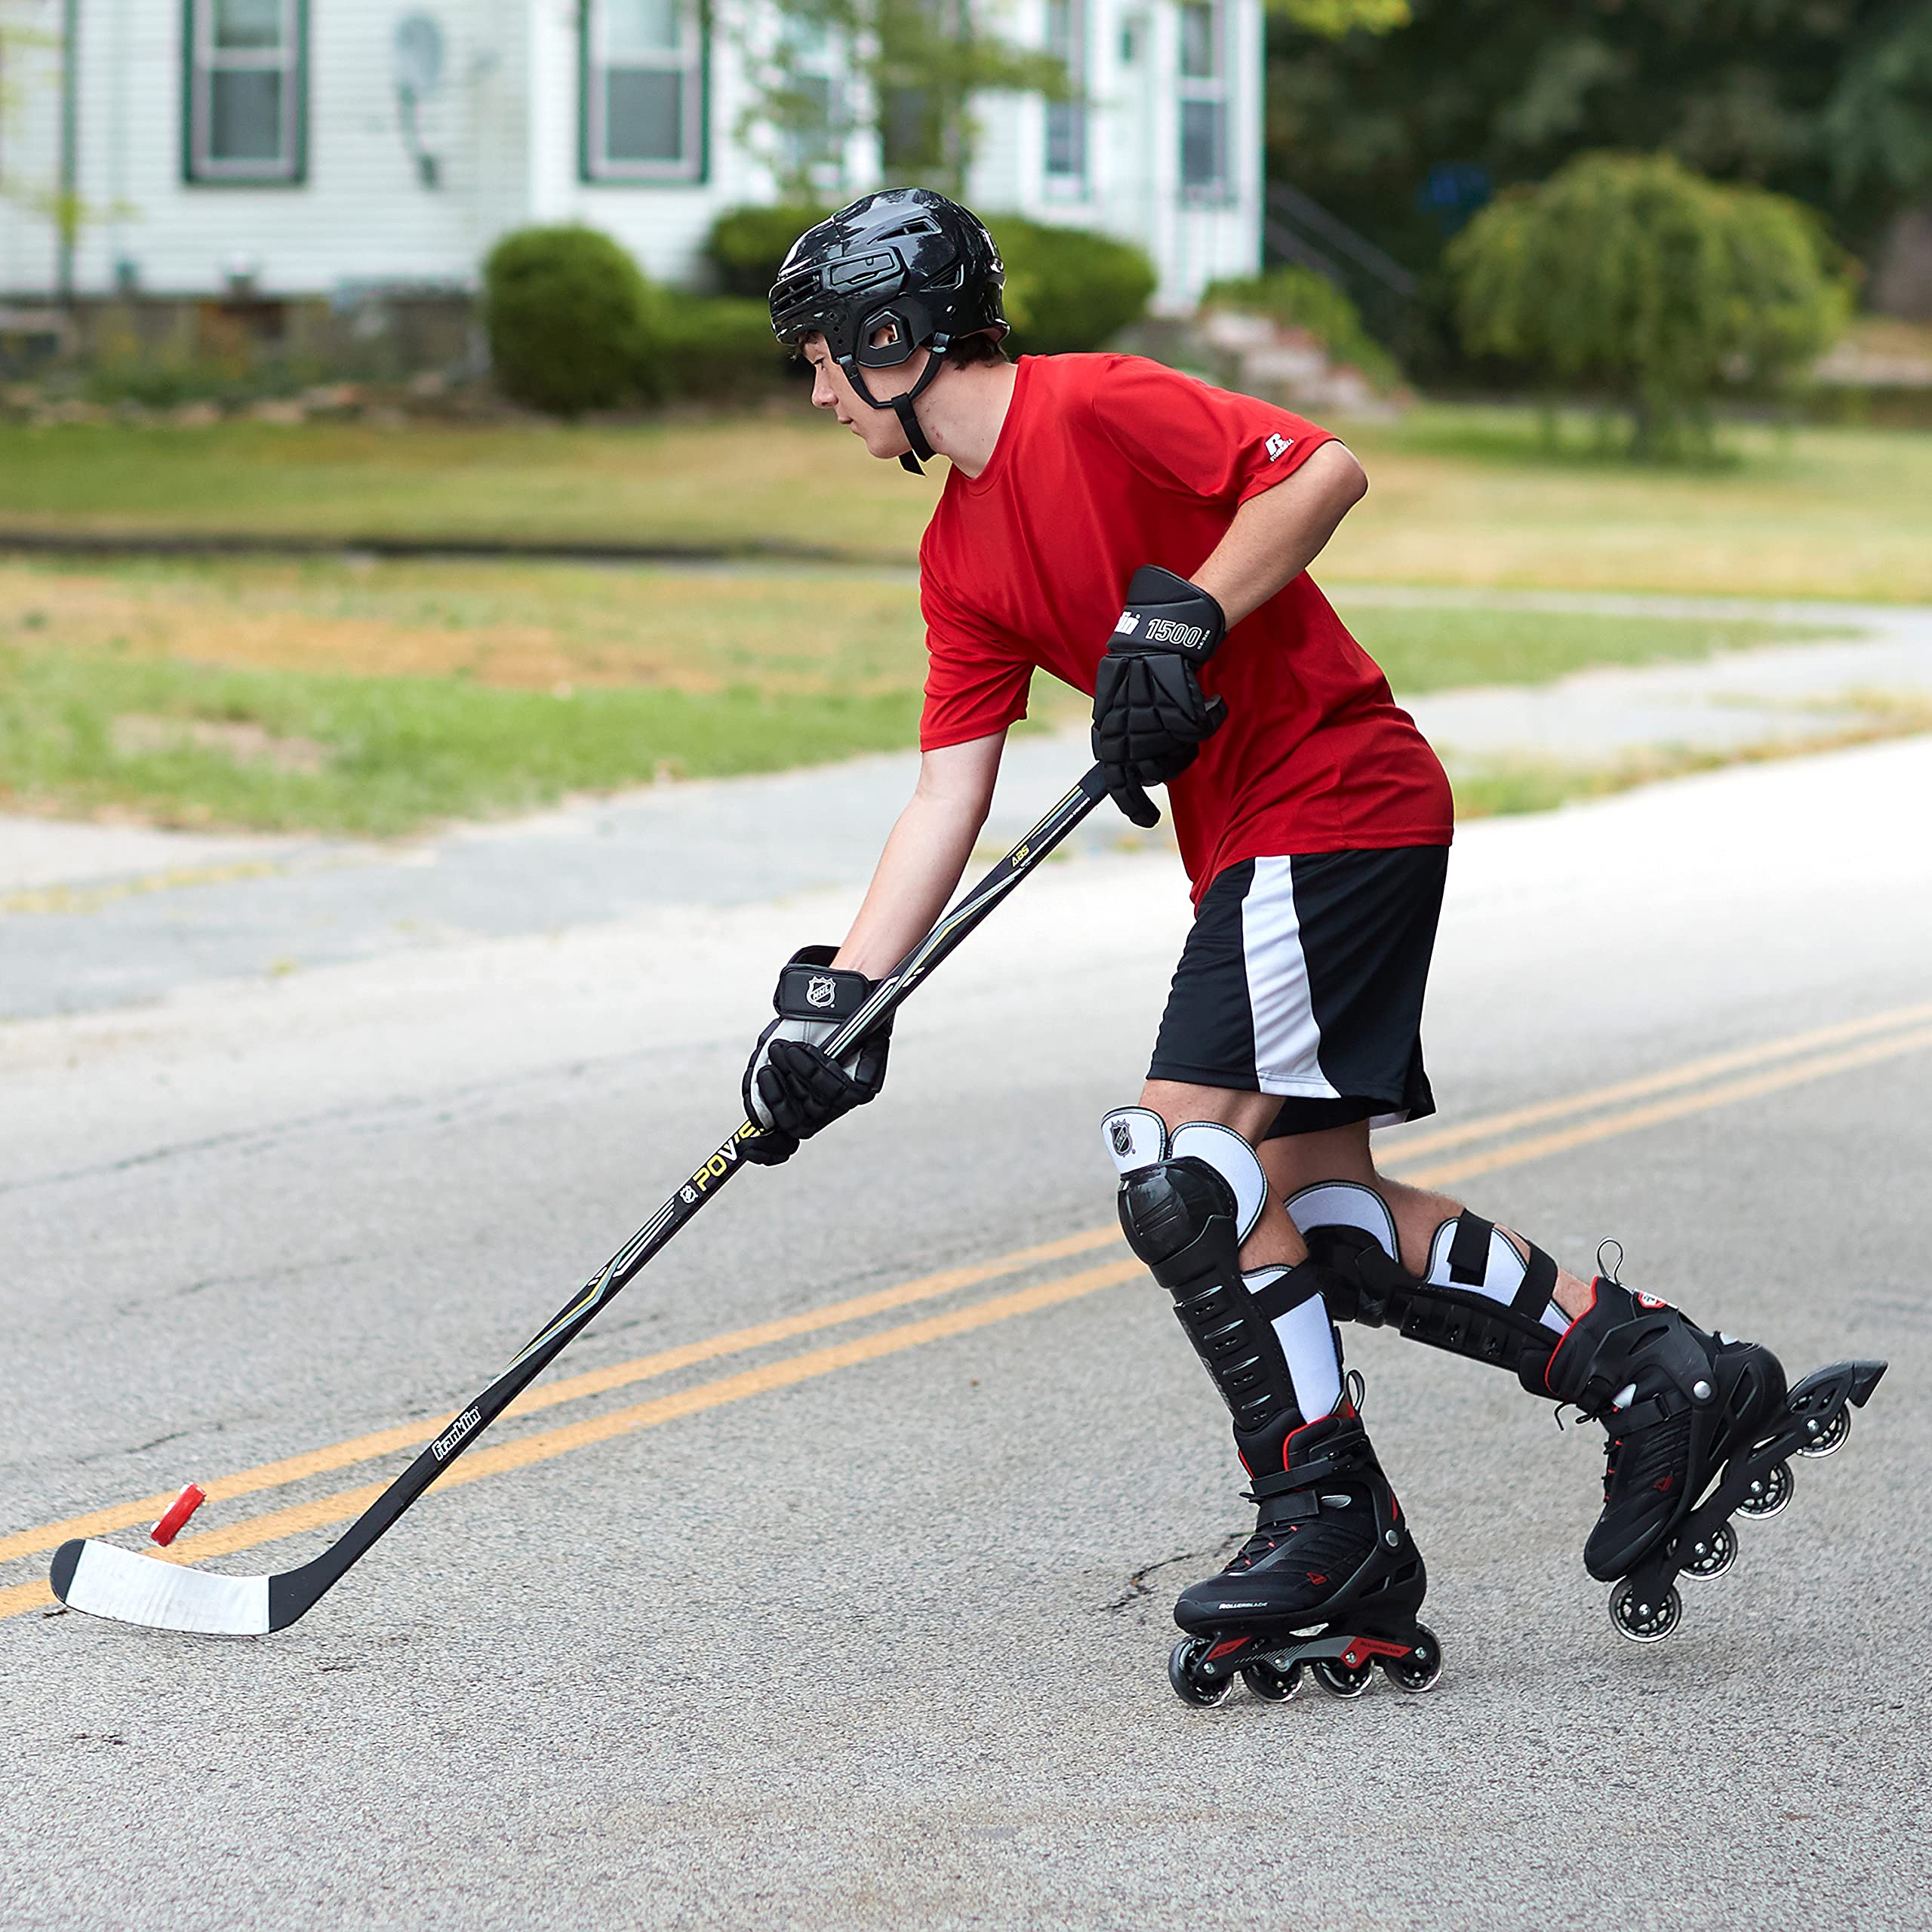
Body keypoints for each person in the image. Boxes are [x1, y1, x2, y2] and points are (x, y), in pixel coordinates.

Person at [739, 187, 1879, 1702]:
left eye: (822, 357)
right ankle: (1659, 1375)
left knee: (1179, 1169)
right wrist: (840, 995)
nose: (817, 393)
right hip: (1279, 843)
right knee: (1309, 1209)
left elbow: (1318, 470)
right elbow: (951, 786)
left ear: (894, 336)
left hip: (1333, 801)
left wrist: (1179, 619)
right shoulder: (958, 556)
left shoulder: (1092, 406)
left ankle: (1322, 1516)